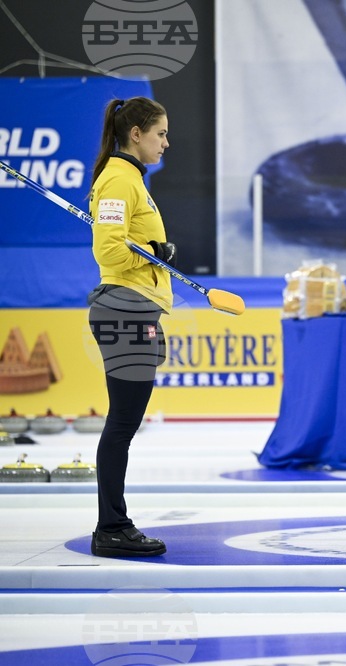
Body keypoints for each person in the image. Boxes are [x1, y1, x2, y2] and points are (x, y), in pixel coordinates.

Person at [87, 97, 176, 558]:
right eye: (160, 133)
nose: (166, 142)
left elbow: (125, 243)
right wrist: (153, 251)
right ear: (136, 133)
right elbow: (109, 251)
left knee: (124, 422)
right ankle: (112, 527)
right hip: (125, 309)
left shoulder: (128, 178)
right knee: (122, 423)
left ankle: (112, 523)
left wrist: (151, 248)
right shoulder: (119, 179)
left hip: (134, 309)